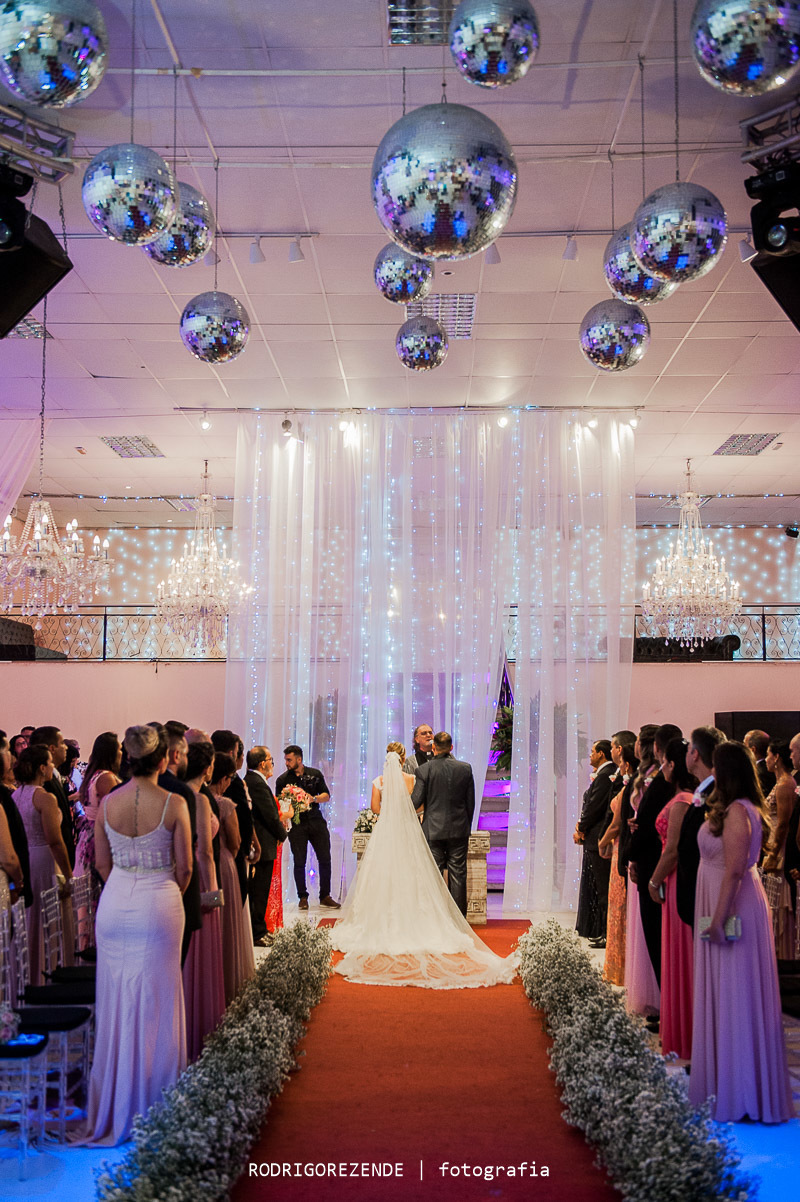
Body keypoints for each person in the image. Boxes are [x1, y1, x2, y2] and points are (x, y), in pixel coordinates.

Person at [330, 743, 515, 988]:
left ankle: (381, 915)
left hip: (386, 831)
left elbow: (375, 808)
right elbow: (419, 803)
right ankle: (427, 914)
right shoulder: (412, 778)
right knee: (413, 872)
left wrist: (389, 812)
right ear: (404, 757)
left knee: (381, 874)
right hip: (409, 831)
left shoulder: (378, 781)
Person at [85, 724, 192, 1145]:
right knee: (158, 999)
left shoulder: (107, 801)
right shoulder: (174, 802)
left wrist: (125, 886)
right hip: (159, 901)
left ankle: (117, 1096)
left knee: (116, 997)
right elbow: (184, 869)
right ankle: (154, 1102)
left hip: (114, 904)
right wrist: (163, 890)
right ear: (163, 759)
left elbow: (101, 863)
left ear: (127, 760)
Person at [689, 740, 793, 1123]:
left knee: (735, 993)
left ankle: (740, 1090)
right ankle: (739, 1083)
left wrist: (717, 919)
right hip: (738, 901)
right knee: (735, 994)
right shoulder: (739, 807)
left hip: (735, 908)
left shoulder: (737, 811)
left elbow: (733, 871)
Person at [648, 738, 697, 1060]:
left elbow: (673, 848)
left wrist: (655, 879)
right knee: (675, 952)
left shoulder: (682, 799)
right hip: (673, 878)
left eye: (665, 762)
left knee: (680, 954)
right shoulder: (682, 796)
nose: (662, 766)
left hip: (675, 880)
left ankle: (686, 1027)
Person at [12, 744, 73, 984]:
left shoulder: (15, 795)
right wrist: (68, 874)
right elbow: (55, 841)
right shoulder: (44, 798)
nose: (53, 766)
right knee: (48, 917)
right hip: (45, 861)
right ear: (41, 768)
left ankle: (29, 973)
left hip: (25, 859)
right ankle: (49, 971)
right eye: (50, 762)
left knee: (31, 917)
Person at [181, 740, 226, 1060]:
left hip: (186, 871)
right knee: (200, 947)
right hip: (199, 875)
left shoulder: (180, 795)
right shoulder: (197, 799)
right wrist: (211, 890)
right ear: (208, 767)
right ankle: (200, 1024)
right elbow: (204, 852)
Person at [628, 723, 681, 986]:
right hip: (658, 862)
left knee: (659, 937)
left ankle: (668, 1001)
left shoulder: (663, 785)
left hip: (656, 864)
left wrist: (631, 854)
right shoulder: (669, 784)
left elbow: (651, 825)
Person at [411, 731, 475, 917]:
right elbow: (470, 802)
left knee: (433, 875)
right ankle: (458, 921)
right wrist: (466, 826)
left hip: (433, 830)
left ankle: (435, 919)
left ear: (433, 747)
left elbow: (415, 802)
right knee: (458, 875)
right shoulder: (465, 768)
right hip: (459, 828)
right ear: (451, 748)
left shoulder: (424, 770)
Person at [209, 752, 255, 1002]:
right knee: (229, 917)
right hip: (225, 861)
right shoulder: (225, 804)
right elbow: (236, 841)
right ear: (225, 779)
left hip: (206, 862)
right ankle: (230, 977)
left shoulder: (198, 799)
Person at [276, 744, 340, 910]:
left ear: (299, 759)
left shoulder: (315, 774)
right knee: (299, 860)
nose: (287, 763)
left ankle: (325, 895)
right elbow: (279, 803)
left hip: (316, 820)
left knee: (325, 857)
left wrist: (313, 799)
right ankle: (302, 897)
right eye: (286, 760)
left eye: (289, 760)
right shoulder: (282, 780)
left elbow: (327, 796)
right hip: (297, 825)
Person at [676, 726, 727, 933]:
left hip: (709, 894)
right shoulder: (703, 790)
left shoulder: (717, 793)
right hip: (699, 893)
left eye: (688, 750)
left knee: (714, 956)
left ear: (695, 754)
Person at [599, 741, 638, 986]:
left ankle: (621, 966)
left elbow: (616, 823)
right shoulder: (627, 783)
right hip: (617, 849)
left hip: (618, 848)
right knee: (617, 905)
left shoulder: (632, 786)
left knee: (620, 907)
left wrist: (603, 841)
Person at [245, 746, 288, 945]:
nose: (272, 764)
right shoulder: (256, 783)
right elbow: (269, 816)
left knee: (261, 889)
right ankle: (257, 932)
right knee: (259, 891)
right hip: (261, 844)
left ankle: (260, 929)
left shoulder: (256, 782)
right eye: (271, 759)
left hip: (265, 843)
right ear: (262, 763)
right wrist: (283, 834)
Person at [574, 739, 616, 944]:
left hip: (599, 836)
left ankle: (607, 933)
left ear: (602, 754)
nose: (590, 755)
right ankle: (601, 929)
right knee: (597, 887)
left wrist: (581, 828)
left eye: (592, 751)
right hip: (593, 836)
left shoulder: (606, 776)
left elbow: (595, 807)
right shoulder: (605, 775)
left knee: (602, 887)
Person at [760, 740, 797, 960]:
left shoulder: (785, 784)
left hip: (779, 848)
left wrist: (773, 853)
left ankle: (784, 955)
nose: (766, 759)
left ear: (777, 758)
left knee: (780, 904)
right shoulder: (781, 783)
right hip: (772, 846)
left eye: (768, 755)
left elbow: (784, 822)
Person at [74, 732, 121, 882]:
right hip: (101, 836)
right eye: (119, 749)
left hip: (89, 833)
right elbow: (113, 812)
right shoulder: (105, 778)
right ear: (111, 753)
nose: (122, 753)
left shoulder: (93, 774)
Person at [29, 726, 75, 870]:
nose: (66, 747)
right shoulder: (45, 784)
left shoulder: (54, 777)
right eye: (62, 743)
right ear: (52, 748)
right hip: (52, 861)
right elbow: (54, 834)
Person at [744, 729, 776, 799]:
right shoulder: (765, 768)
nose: (742, 748)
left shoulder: (761, 773)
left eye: (744, 745)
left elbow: (761, 800)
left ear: (753, 750)